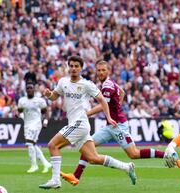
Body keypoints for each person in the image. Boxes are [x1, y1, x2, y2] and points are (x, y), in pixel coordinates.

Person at [61, 60, 164, 186]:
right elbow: (122, 93)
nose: (100, 72)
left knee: (134, 154)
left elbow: (102, 106)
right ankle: (76, 176)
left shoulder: (107, 86)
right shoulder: (109, 83)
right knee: (88, 148)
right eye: (98, 70)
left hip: (118, 125)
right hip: (111, 125)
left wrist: (85, 114)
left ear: (108, 71)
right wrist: (116, 108)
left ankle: (165, 155)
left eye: (103, 70)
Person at [39, 56, 136, 189]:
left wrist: (108, 117)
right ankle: (126, 167)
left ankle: (55, 180)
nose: (73, 68)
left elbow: (102, 100)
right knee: (93, 158)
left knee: (52, 145)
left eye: (76, 66)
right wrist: (49, 94)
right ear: (68, 67)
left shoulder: (87, 84)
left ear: (81, 68)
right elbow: (54, 96)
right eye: (71, 66)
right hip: (76, 124)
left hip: (80, 124)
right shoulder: (63, 82)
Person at [17, 83, 52, 173]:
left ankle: (34, 165)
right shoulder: (22, 101)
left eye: (31, 88)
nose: (29, 90)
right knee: (32, 144)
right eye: (27, 88)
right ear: (26, 90)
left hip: (36, 124)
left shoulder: (39, 101)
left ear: (34, 90)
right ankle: (46, 163)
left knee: (29, 143)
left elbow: (46, 112)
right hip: (27, 124)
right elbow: (19, 111)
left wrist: (45, 122)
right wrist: (19, 114)